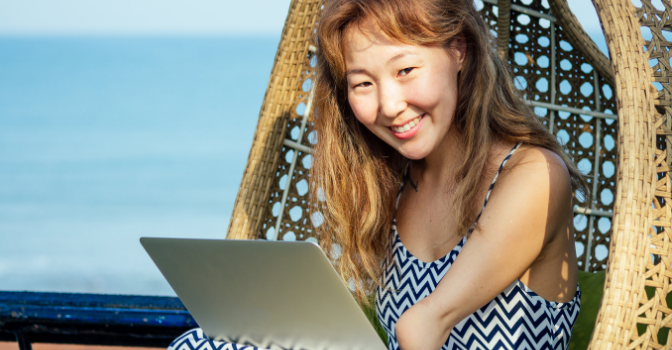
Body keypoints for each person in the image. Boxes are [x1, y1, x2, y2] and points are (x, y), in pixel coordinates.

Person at [167, 0, 586, 349]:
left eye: (406, 71)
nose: (388, 105)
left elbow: (422, 327)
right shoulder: (391, 186)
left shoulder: (535, 175)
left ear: (458, 51)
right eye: (363, 83)